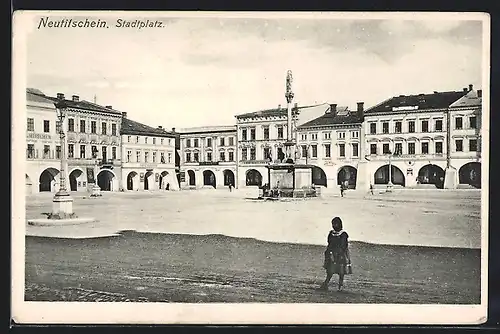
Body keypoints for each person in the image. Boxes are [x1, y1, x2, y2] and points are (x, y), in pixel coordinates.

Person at [320, 217, 351, 291]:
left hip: (340, 254)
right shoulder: (331, 233)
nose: (334, 225)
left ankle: (340, 286)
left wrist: (338, 252)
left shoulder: (343, 234)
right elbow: (329, 241)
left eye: (335, 224)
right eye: (333, 224)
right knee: (329, 270)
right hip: (331, 253)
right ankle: (326, 283)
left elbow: (344, 245)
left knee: (341, 272)